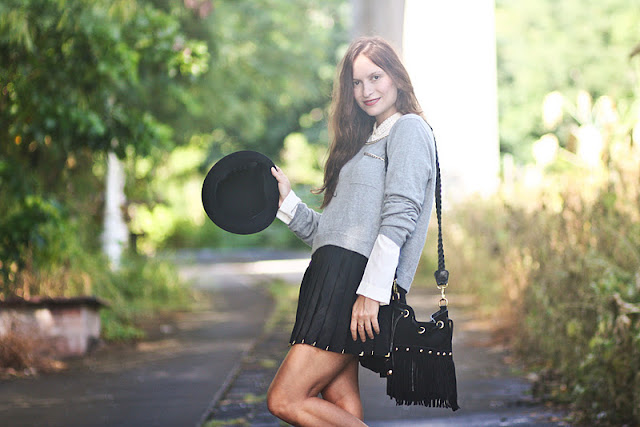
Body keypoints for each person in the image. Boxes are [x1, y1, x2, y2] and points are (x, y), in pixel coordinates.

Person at [267, 36, 437, 426]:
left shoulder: (408, 129)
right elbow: (330, 234)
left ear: (396, 76)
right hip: (328, 278)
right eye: (356, 82)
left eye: (375, 77)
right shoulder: (361, 144)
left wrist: (372, 292)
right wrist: (287, 202)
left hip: (355, 283)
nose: (366, 90)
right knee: (341, 407)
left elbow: (400, 215)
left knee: (285, 398)